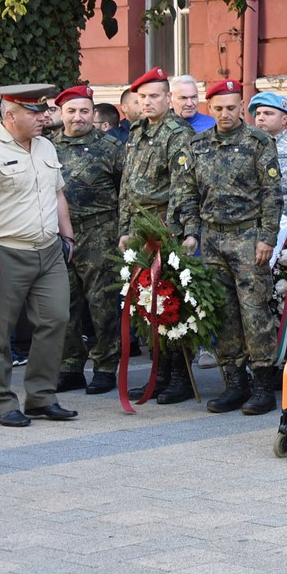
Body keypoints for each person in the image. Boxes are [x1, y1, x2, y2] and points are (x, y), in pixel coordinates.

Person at [177, 80, 283, 414]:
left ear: (242, 107)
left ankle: (263, 385)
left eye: (231, 107)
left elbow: (272, 192)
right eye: (219, 108)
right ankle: (234, 383)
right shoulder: (198, 145)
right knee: (222, 312)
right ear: (211, 109)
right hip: (211, 238)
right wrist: (191, 232)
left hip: (248, 236)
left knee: (255, 312)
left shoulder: (258, 141)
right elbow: (188, 192)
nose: (225, 114)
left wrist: (267, 237)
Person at [0, 84, 78, 426]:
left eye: (43, 111)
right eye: (34, 113)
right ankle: (1, 401)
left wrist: (68, 234)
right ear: (10, 115)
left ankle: (41, 396)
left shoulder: (45, 146)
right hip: (7, 251)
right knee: (0, 332)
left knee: (56, 319)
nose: (43, 117)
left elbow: (57, 193)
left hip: (48, 250)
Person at [119, 67, 201, 403]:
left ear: (168, 98)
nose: (148, 102)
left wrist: (184, 232)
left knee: (172, 301)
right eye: (143, 98)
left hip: (166, 227)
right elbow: (127, 185)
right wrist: (124, 230)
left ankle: (179, 376)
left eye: (155, 96)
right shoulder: (137, 131)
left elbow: (184, 186)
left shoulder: (176, 133)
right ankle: (160, 373)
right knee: (146, 301)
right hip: (140, 227)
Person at [51, 86, 124, 395]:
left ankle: (106, 367)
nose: (78, 117)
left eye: (84, 111)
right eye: (71, 111)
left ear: (94, 114)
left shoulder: (111, 147)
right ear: (61, 114)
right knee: (62, 303)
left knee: (102, 303)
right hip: (60, 237)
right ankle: (70, 366)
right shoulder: (47, 148)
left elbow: (127, 192)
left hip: (100, 234)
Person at [248, 90, 287, 209]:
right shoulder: (249, 145)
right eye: (258, 114)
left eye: (268, 113)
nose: (261, 118)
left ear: (284, 120)